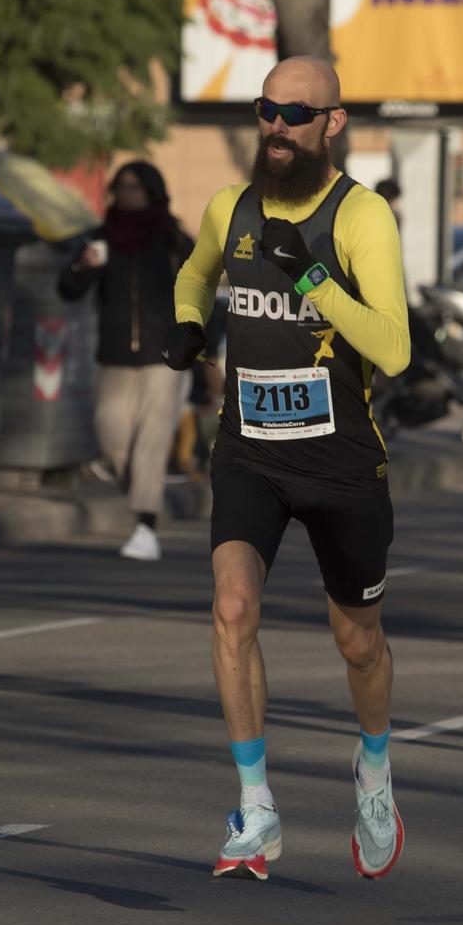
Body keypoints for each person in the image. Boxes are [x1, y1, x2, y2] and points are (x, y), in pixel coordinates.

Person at [164, 55, 412, 880]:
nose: (276, 127)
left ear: (332, 123)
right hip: (250, 453)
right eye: (265, 110)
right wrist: (190, 321)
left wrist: (307, 273)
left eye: (295, 115)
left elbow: (394, 349)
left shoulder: (361, 218)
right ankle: (256, 802)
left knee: (359, 642)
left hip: (342, 461)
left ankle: (373, 767)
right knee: (232, 607)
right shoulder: (227, 207)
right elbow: (195, 273)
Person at [58, 161, 197, 562]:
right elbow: (68, 289)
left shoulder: (172, 239)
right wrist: (81, 267)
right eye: (121, 187)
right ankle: (142, 503)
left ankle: (145, 527)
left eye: (136, 187)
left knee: (151, 443)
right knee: (111, 436)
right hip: (114, 356)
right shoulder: (101, 239)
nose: (128, 194)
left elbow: (201, 285)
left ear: (152, 192)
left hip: (163, 357)